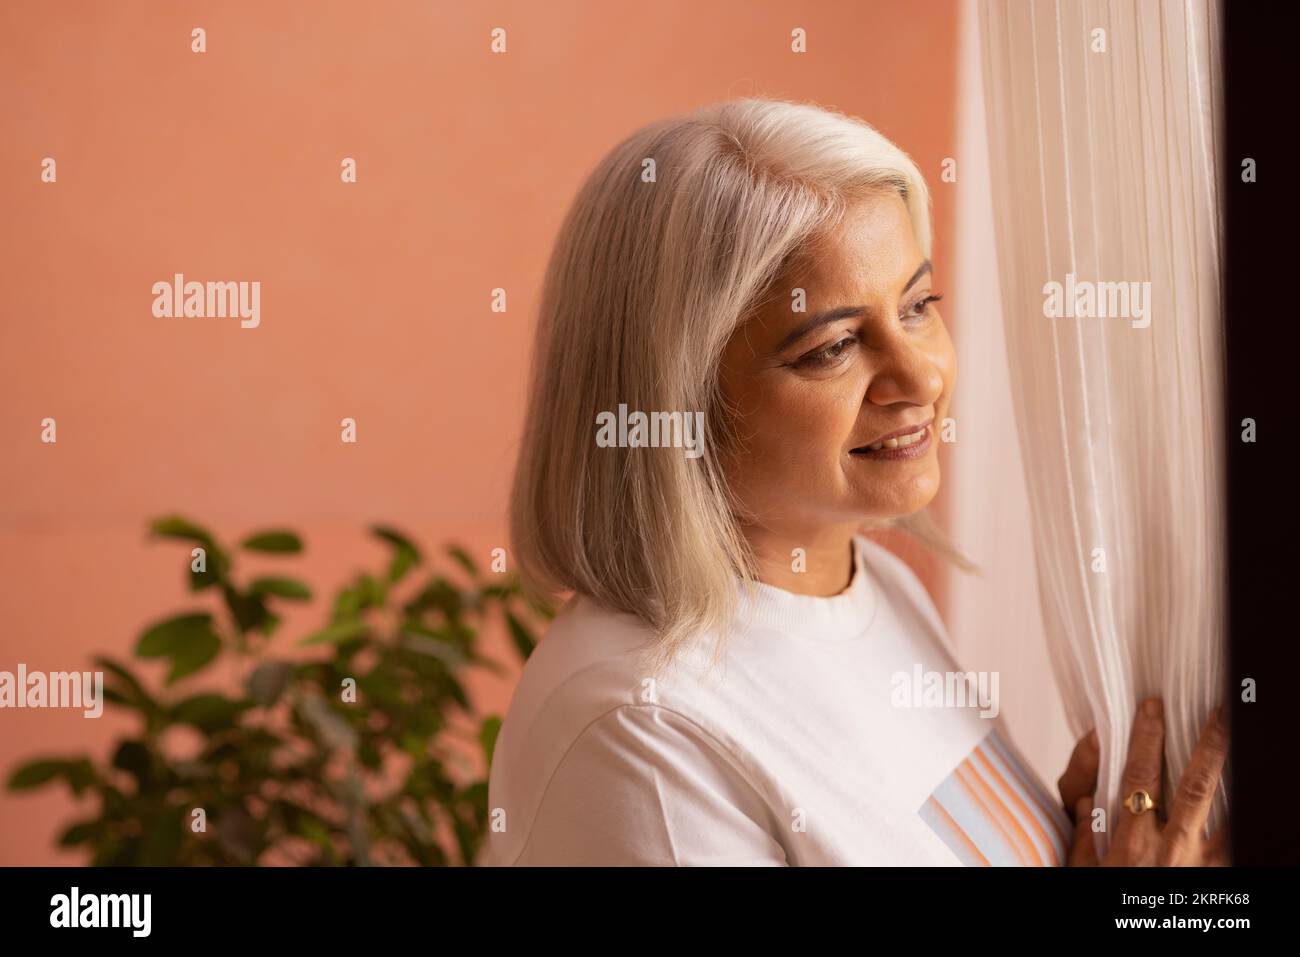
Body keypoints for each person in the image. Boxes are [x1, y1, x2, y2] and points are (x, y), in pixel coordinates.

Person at [484, 98, 1228, 866]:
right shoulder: (636, 730)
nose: (920, 375)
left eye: (916, 305)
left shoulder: (868, 587)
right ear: (674, 403)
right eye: (833, 346)